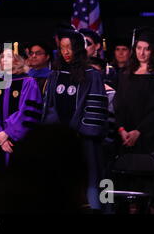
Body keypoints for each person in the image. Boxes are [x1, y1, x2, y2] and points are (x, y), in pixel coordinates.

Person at [42, 28, 108, 210]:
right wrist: (58, 132)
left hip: (85, 138)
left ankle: (97, 209)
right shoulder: (54, 74)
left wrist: (77, 131)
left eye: (70, 48)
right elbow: (50, 106)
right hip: (60, 140)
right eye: (62, 48)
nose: (66, 52)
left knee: (91, 179)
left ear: (78, 49)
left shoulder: (92, 75)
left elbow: (95, 107)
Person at [114, 27, 154, 212]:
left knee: (150, 191)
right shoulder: (125, 75)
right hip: (125, 139)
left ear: (153, 51)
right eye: (138, 47)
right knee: (129, 192)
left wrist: (138, 131)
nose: (141, 53)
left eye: (146, 48)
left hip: (151, 139)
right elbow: (119, 107)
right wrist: (122, 129)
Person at [0, 47, 42, 174]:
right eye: (2, 57)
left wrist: (8, 132)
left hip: (18, 140)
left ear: (17, 61)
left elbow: (28, 111)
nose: (4, 59)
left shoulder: (28, 82)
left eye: (9, 56)